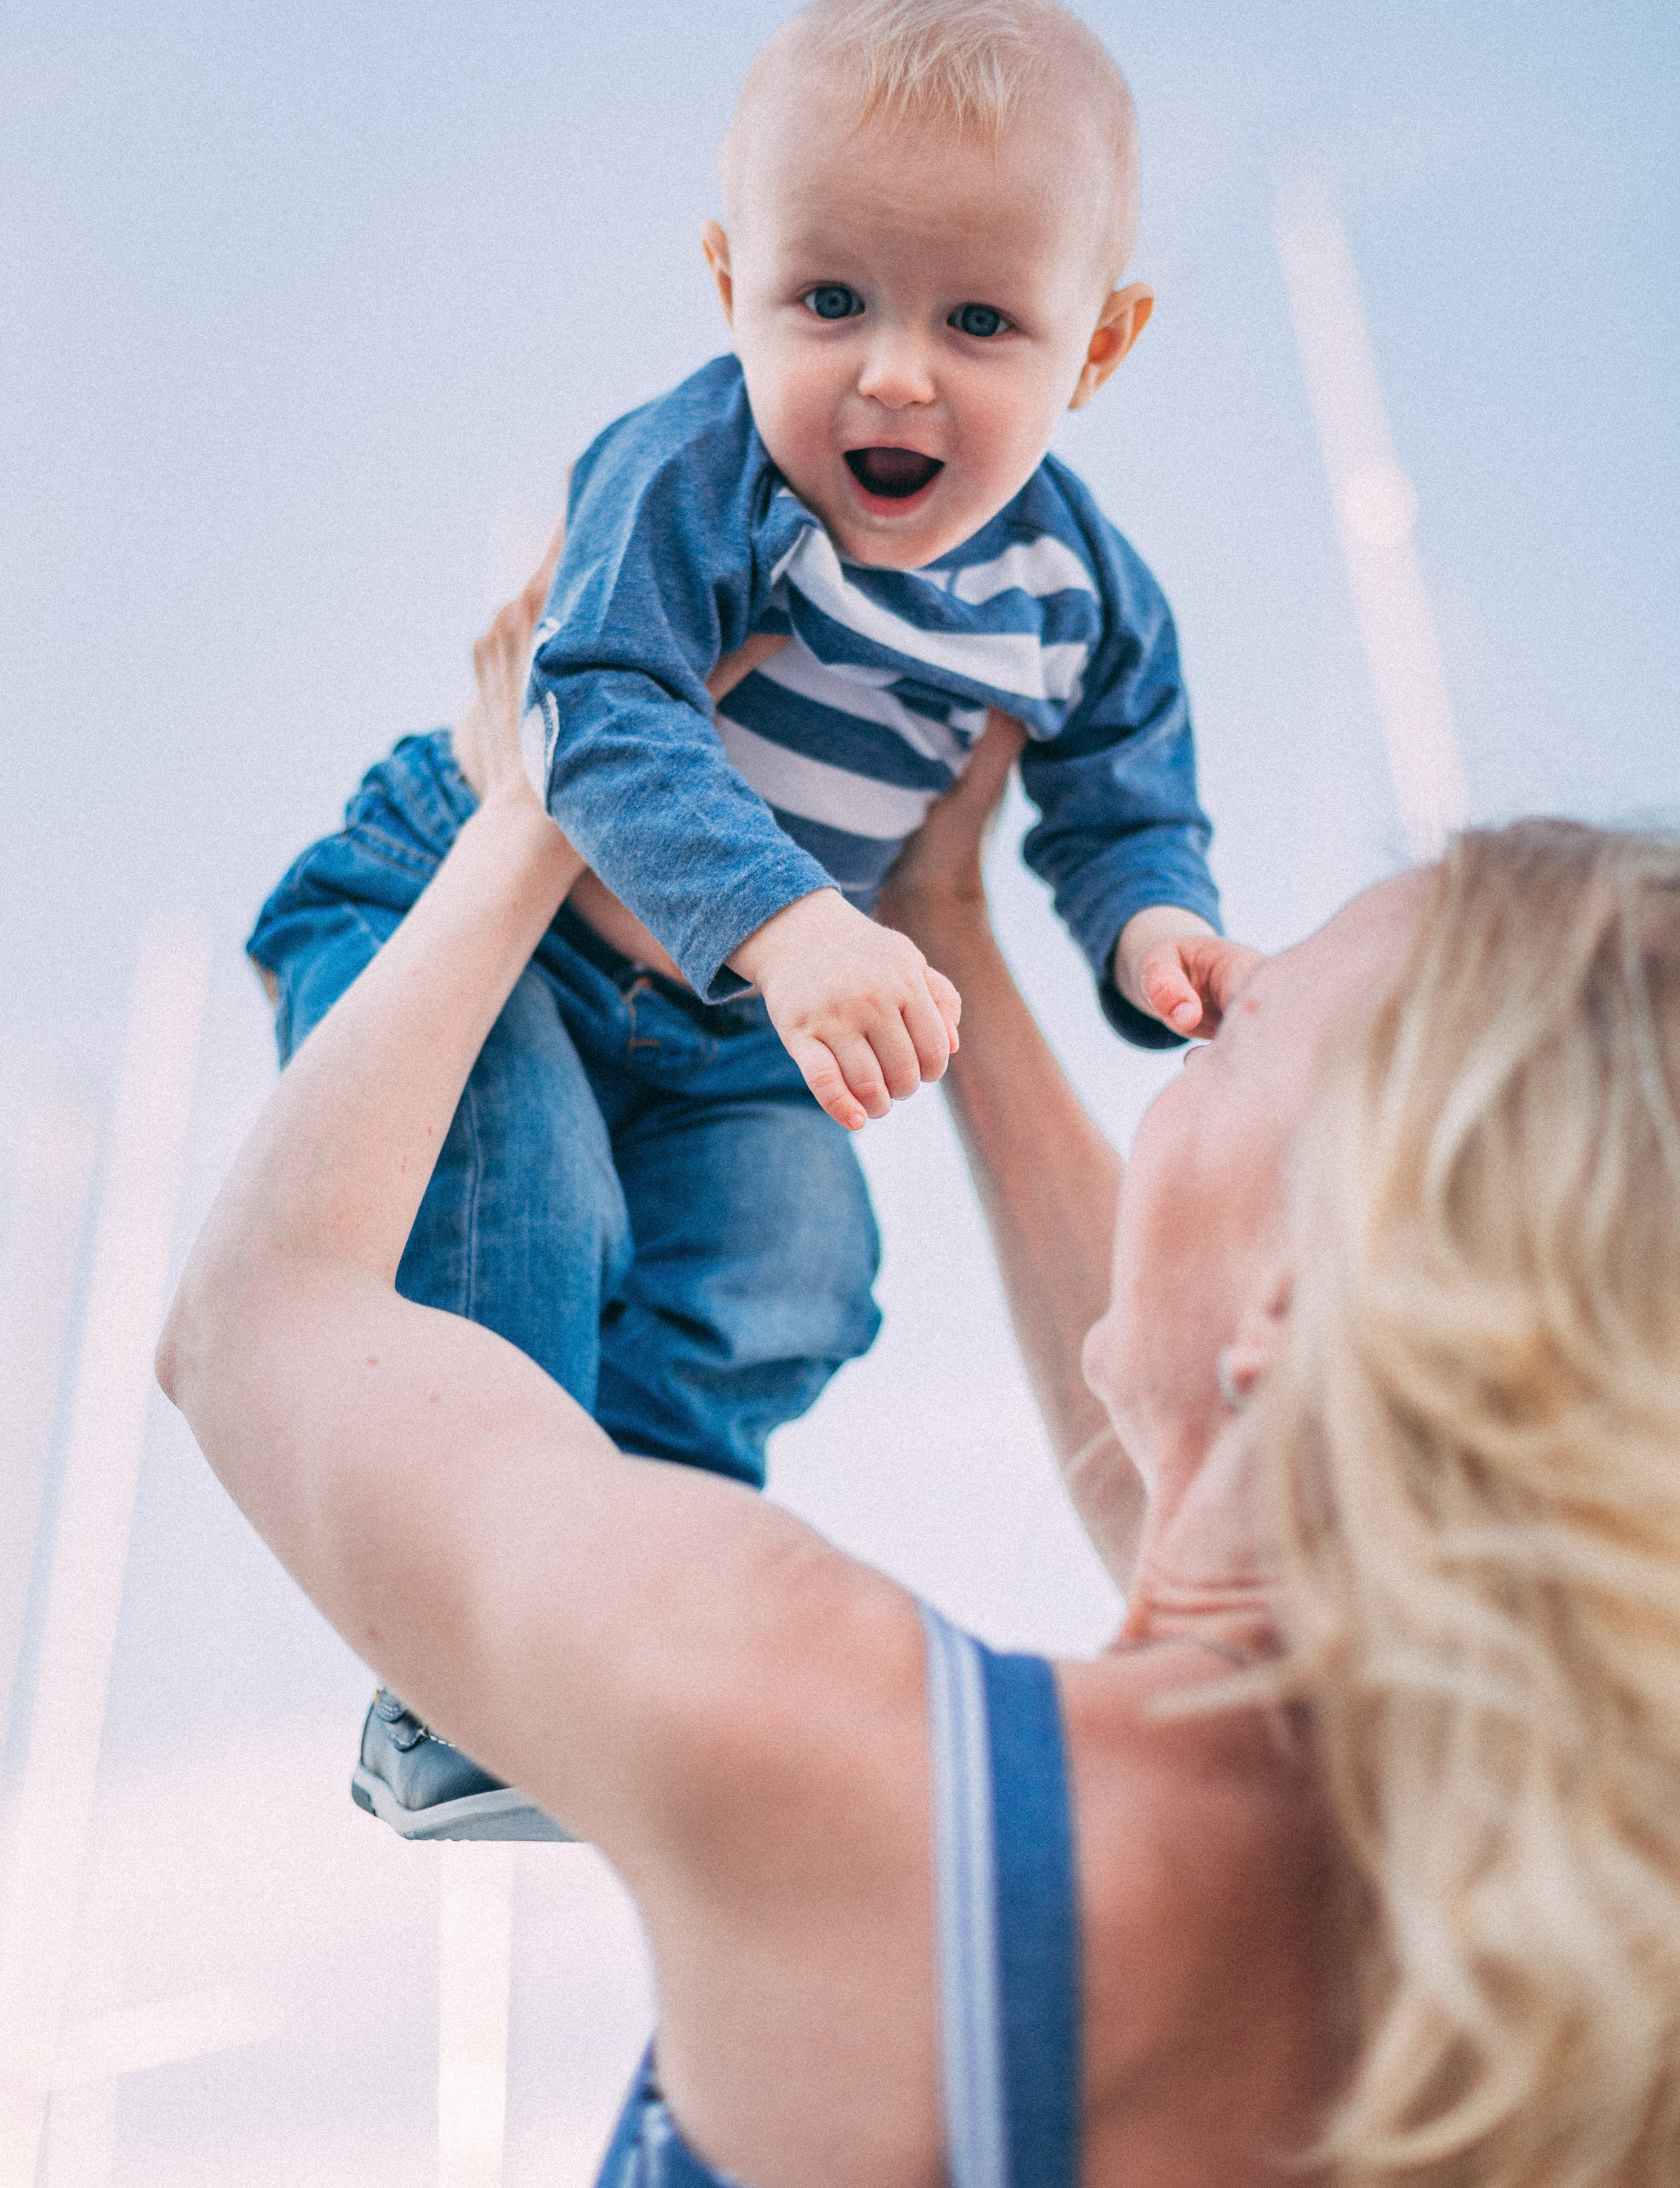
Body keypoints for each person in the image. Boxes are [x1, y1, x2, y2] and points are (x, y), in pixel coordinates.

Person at [162, 565, 1680, 2187]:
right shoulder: (1563, 1980)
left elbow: (265, 1318)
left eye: (1220, 1038)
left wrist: (555, 783)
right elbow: (1204, 1465)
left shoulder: (859, 1758)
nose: (1175, 1067)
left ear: (1304, 1307)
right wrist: (941, 921)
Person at [247, 0, 1253, 1835]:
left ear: (1095, 351)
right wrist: (797, 922)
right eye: (830, 299)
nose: (891, 369)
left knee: (799, 1257)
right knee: (520, 1207)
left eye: (977, 319)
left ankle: (637, 1614)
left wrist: (1151, 934)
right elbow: (601, 710)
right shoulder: (702, 473)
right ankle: (460, 1658)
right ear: (732, 287)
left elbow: (1124, 799)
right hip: (492, 937)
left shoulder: (1079, 595)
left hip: (721, 1031)